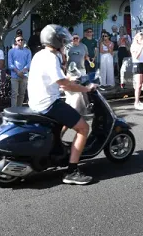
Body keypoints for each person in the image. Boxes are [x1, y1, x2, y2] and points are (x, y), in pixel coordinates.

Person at [27, 24, 96, 185]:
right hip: (48, 103)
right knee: (83, 127)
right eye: (62, 39)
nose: (65, 42)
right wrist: (86, 88)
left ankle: (58, 149)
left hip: (38, 101)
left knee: (68, 115)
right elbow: (65, 86)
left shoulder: (40, 54)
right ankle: (72, 171)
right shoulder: (52, 57)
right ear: (57, 41)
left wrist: (69, 79)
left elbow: (56, 78)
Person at [7, 35, 31, 107]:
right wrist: (17, 72)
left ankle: (19, 109)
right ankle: (14, 110)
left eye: (22, 40)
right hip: (14, 75)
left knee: (22, 93)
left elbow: (29, 63)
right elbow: (10, 63)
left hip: (24, 75)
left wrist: (23, 71)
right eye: (18, 40)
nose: (20, 41)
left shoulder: (28, 51)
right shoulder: (11, 51)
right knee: (14, 93)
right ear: (15, 42)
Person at [130, 32, 143, 111]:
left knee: (141, 84)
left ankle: (138, 101)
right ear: (137, 39)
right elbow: (136, 56)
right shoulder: (134, 46)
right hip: (137, 64)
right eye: (141, 38)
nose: (142, 40)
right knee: (138, 85)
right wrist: (141, 47)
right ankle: (136, 103)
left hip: (142, 64)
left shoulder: (139, 45)